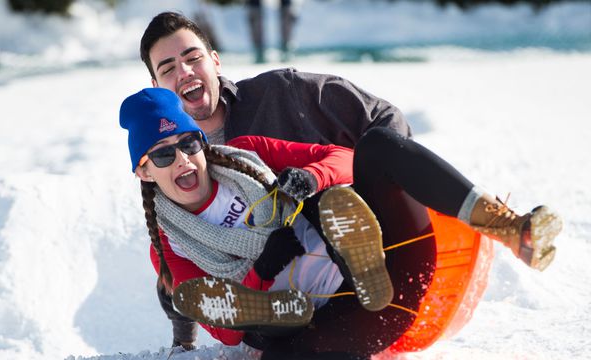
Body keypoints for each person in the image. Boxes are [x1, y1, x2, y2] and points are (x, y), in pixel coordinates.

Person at [119, 88, 562, 359]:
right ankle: (279, 307)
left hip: (393, 286)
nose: (182, 159)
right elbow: (224, 330)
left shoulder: (249, 155)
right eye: (163, 154)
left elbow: (342, 158)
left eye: (189, 142)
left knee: (378, 145)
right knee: (270, 344)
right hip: (332, 330)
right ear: (143, 171)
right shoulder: (168, 245)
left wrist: (310, 177)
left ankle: (508, 228)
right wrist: (263, 269)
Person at [139, 10, 420, 351]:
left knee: (319, 195)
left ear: (215, 61)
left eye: (193, 58)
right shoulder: (166, 166)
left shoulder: (281, 96)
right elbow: (185, 263)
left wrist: (392, 200)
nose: (184, 72)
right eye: (168, 69)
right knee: (171, 256)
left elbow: (382, 122)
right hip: (282, 305)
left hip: (355, 253)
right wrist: (184, 340)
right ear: (157, 90)